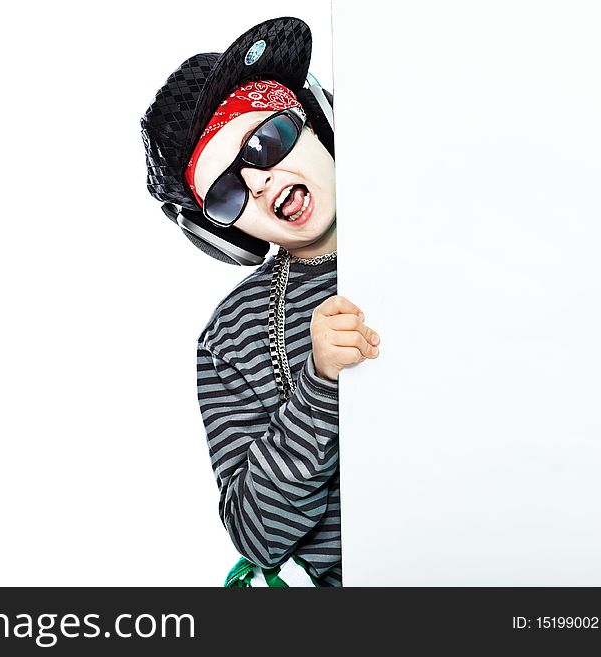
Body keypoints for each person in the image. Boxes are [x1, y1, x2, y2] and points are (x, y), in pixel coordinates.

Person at [140, 17, 381, 587]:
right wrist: (318, 381)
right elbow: (257, 535)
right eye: (225, 191)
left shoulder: (449, 220)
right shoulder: (229, 337)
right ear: (225, 233)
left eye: (265, 142)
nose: (260, 182)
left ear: (314, 120)